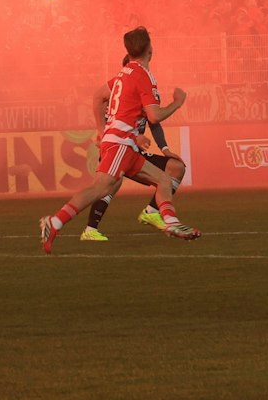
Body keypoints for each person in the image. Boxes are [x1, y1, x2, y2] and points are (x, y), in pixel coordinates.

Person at [41, 27, 200, 252]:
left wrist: (101, 130)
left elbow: (98, 97)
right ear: (149, 49)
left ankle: (172, 224)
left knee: (164, 180)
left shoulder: (123, 75)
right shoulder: (143, 76)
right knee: (100, 188)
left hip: (125, 144)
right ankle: (54, 222)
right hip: (121, 144)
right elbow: (154, 116)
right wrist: (177, 102)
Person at [76, 100, 176, 242]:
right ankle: (89, 229)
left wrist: (165, 149)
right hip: (117, 150)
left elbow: (154, 123)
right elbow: (109, 125)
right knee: (109, 185)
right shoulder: (118, 99)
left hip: (134, 153)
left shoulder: (145, 97)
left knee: (176, 168)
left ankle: (152, 212)